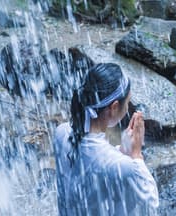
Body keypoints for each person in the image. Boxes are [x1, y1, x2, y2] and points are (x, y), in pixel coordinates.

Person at [53, 63, 159, 216]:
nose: (128, 108)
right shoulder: (123, 167)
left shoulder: (61, 133)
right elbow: (150, 206)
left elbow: (90, 166)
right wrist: (136, 156)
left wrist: (121, 151)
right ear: (114, 107)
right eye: (127, 103)